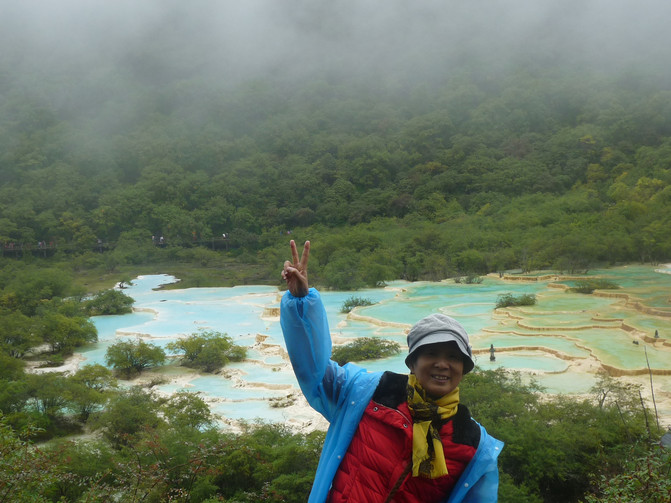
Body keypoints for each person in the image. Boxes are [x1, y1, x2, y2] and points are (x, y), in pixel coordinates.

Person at [280, 240, 503, 503]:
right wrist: (301, 304)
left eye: (454, 357)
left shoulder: (474, 445)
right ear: (412, 362)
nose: (442, 364)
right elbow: (314, 371)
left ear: (464, 369)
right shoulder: (365, 393)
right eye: (431, 353)